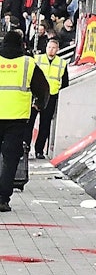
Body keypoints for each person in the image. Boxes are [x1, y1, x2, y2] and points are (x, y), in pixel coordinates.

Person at [0, 29, 49, 212]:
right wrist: (39, 105)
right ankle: (3, 198)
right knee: (10, 159)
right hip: (17, 119)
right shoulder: (28, 63)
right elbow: (44, 89)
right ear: (21, 44)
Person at [29, 38, 67, 160]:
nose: (51, 50)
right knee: (29, 123)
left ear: (58, 49)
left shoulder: (62, 63)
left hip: (51, 96)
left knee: (45, 125)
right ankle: (25, 147)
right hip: (36, 95)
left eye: (54, 48)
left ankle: (39, 150)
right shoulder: (37, 59)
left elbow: (65, 83)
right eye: (49, 47)